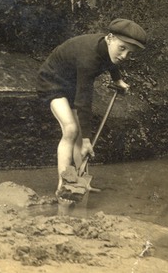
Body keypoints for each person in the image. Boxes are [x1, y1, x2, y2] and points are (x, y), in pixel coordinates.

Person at [37, 19, 147, 198]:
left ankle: (81, 184)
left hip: (72, 82)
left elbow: (112, 61)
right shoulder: (88, 57)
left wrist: (117, 79)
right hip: (52, 82)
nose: (125, 55)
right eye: (122, 48)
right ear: (110, 38)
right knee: (71, 129)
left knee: (80, 138)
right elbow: (84, 100)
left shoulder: (108, 47)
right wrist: (88, 140)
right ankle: (63, 185)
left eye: (130, 52)